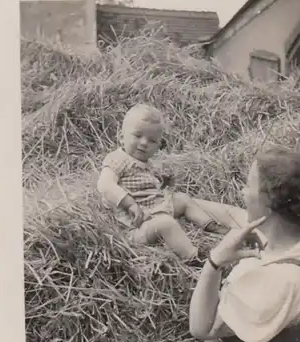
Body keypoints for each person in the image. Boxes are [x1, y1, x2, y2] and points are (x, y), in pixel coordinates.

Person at [189, 147, 300, 342]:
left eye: (249, 185)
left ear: (268, 204)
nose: (242, 191)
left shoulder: (276, 284)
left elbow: (201, 326)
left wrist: (214, 262)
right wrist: (185, 202)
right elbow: (236, 215)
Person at [97, 103, 227, 262]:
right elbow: (105, 185)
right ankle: (194, 257)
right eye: (137, 136)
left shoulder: (146, 164)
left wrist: (164, 184)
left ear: (159, 146)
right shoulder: (117, 159)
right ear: (121, 137)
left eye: (151, 141)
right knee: (166, 224)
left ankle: (209, 225)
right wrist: (130, 204)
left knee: (182, 199)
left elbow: (149, 188)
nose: (144, 143)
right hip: (136, 224)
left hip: (154, 209)